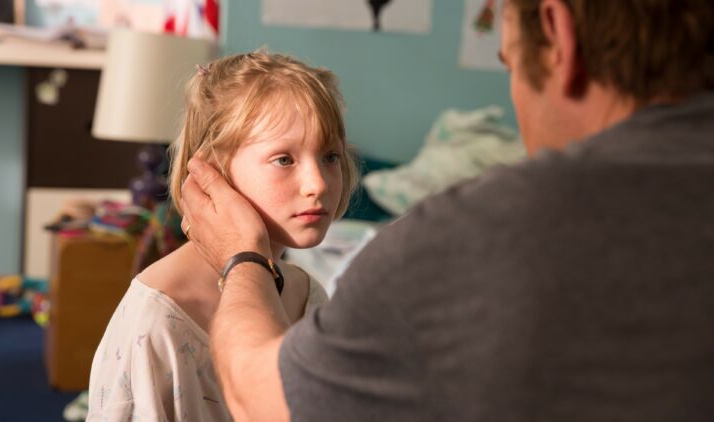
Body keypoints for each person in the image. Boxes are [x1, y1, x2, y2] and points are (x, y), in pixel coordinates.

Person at [181, 0, 714, 420]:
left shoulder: (471, 239)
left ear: (556, 36)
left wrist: (243, 258)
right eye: (282, 159)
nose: (316, 183)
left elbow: (265, 401)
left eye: (509, 65)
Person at [86, 51, 359, 421]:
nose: (318, 183)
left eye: (330, 157)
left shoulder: (309, 296)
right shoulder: (156, 321)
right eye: (284, 160)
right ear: (211, 171)